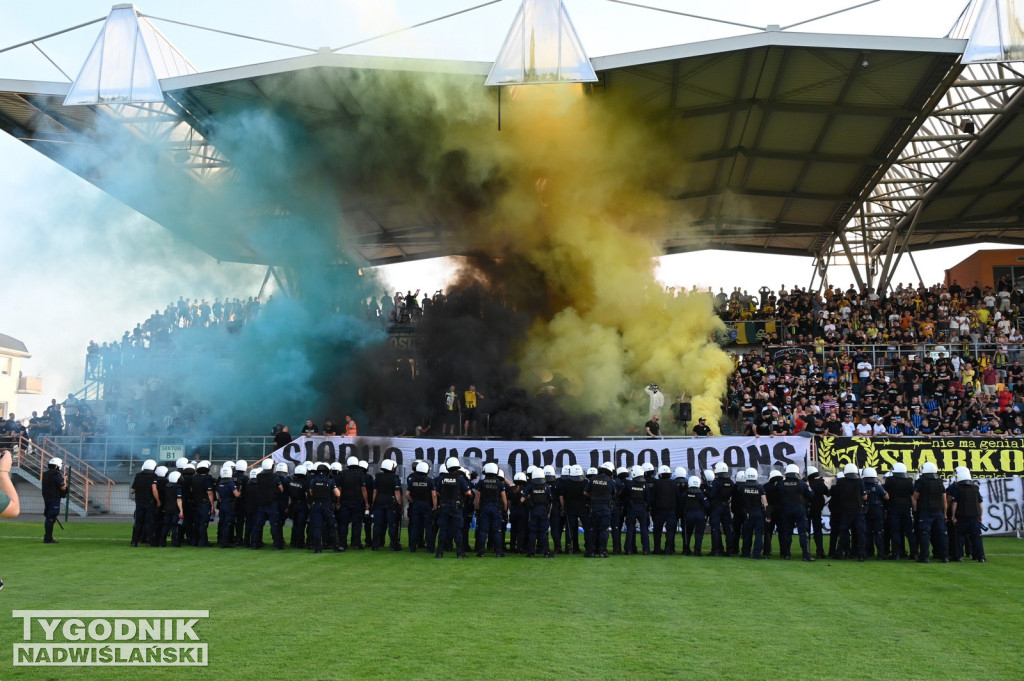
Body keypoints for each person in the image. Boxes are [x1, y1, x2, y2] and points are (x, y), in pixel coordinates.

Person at [775, 464, 815, 562]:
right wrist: (808, 486)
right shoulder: (802, 483)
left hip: (786, 509)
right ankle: (806, 555)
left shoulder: (780, 484)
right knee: (803, 533)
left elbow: (776, 496)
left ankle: (786, 554)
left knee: (787, 533)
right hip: (799, 509)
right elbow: (811, 495)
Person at [435, 456, 472, 558]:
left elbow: (437, 492)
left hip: (444, 506)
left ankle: (439, 553)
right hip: (456, 507)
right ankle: (460, 553)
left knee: (443, 530)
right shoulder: (460, 479)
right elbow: (468, 492)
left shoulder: (442, 478)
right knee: (457, 530)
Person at [913, 461, 949, 563]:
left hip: (925, 511)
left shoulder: (922, 481)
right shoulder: (939, 481)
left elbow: (916, 496)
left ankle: (924, 557)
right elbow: (944, 499)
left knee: (925, 534)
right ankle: (944, 556)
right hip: (938, 511)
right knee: (942, 534)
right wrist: (945, 513)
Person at [948, 466, 985, 563]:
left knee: (959, 537)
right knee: (976, 538)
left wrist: (953, 515)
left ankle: (959, 556)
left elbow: (954, 503)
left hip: (961, 517)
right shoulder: (975, 488)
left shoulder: (957, 488)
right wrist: (980, 516)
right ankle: (980, 557)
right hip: (974, 517)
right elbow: (980, 504)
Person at [832, 463, 867, 561]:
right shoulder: (860, 481)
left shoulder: (841, 481)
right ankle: (861, 554)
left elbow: (836, 494)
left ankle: (841, 552)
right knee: (860, 532)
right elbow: (864, 497)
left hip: (845, 510)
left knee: (844, 531)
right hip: (858, 510)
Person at [306, 462, 342, 554]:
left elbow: (311, 492)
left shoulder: (313, 481)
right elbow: (338, 494)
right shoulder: (330, 481)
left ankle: (318, 548)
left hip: (316, 505)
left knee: (317, 527)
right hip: (327, 505)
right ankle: (336, 546)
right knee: (332, 526)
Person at [584, 462, 617, 558]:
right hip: (605, 509)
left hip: (594, 508)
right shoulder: (610, 481)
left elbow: (585, 492)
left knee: (593, 530)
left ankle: (591, 552)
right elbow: (614, 494)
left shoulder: (593, 479)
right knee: (603, 530)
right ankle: (602, 552)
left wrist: (593, 497)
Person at [252, 460, 284, 550]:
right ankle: (276, 545)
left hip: (261, 503)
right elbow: (281, 489)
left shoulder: (258, 476)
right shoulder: (275, 477)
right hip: (272, 503)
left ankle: (255, 544)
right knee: (274, 524)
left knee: (258, 525)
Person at [371, 459, 403, 550]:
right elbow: (397, 492)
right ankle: (394, 545)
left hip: (378, 503)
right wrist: (400, 504)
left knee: (378, 524)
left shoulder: (378, 477)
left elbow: (375, 492)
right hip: (390, 503)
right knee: (392, 524)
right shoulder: (394, 477)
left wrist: (373, 503)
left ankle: (375, 545)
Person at [522, 468, 553, 558]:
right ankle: (546, 553)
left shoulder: (530, 486)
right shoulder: (546, 487)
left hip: (533, 511)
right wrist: (548, 513)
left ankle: (531, 552)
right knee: (543, 532)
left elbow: (522, 499)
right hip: (543, 511)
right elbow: (550, 501)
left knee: (532, 532)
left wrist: (528, 499)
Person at [406, 461, 436, 553]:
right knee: (428, 526)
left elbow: (407, 495)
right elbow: (434, 495)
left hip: (416, 504)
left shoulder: (412, 481)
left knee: (415, 526)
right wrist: (435, 507)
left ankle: (412, 547)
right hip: (426, 505)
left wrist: (413, 501)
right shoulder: (430, 480)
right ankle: (430, 548)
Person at [128, 459, 158, 547]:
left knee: (138, 522)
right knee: (149, 522)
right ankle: (149, 541)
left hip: (139, 502)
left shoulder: (138, 475)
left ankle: (134, 541)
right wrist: (158, 501)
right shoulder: (154, 476)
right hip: (149, 502)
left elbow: (132, 490)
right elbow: (154, 490)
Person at [740, 468, 768, 559]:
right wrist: (768, 515)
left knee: (747, 534)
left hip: (747, 513)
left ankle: (745, 553)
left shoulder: (742, 487)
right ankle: (756, 554)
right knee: (759, 534)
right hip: (758, 513)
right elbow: (765, 502)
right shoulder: (760, 487)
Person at [623, 465, 651, 555]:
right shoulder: (645, 485)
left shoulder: (629, 484)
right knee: (644, 529)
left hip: (632, 508)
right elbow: (648, 499)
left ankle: (628, 549)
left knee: (630, 529)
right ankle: (646, 549)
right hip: (642, 508)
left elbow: (625, 496)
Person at [862, 467, 889, 559]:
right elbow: (886, 497)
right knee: (878, 533)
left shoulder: (862, 486)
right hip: (877, 511)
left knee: (867, 533)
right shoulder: (878, 486)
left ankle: (868, 553)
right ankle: (881, 554)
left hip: (866, 510)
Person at [650, 465, 678, 555]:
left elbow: (652, 498)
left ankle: (657, 549)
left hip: (659, 510)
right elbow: (678, 498)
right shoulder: (674, 483)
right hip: (671, 510)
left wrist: (652, 510)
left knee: (657, 530)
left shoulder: (657, 483)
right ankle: (668, 549)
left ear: (660, 474)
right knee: (670, 531)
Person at [681, 475, 710, 555]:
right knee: (699, 533)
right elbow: (707, 505)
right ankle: (697, 551)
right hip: (700, 515)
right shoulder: (701, 494)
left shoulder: (685, 493)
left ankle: (685, 550)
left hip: (688, 515)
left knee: (687, 533)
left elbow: (681, 504)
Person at [806, 466, 830, 559]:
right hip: (817, 509)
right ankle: (820, 551)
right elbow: (827, 493)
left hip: (807, 509)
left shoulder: (806, 483)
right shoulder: (820, 483)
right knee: (818, 530)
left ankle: (807, 551)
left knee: (806, 530)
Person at [191, 460, 215, 547]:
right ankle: (203, 542)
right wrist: (212, 505)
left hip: (196, 502)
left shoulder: (194, 478)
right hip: (205, 504)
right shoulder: (207, 479)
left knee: (196, 523)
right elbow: (209, 492)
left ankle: (194, 541)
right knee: (203, 523)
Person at [216, 462, 240, 549]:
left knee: (222, 523)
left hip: (222, 504)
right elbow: (236, 494)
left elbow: (219, 497)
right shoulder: (231, 483)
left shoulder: (219, 483)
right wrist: (241, 490)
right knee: (228, 523)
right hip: (229, 505)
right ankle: (225, 542)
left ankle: (221, 540)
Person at [286, 464, 309, 549]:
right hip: (302, 505)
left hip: (293, 504)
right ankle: (300, 543)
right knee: (301, 525)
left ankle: (293, 542)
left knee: (295, 525)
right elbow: (306, 496)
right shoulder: (305, 483)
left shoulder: (291, 482)